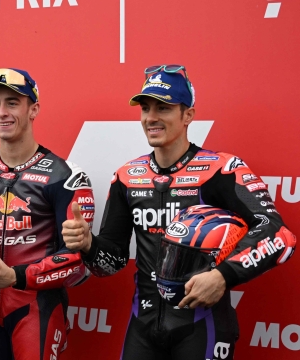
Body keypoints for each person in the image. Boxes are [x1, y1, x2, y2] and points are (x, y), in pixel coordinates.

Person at [61, 65, 297, 360]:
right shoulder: (127, 177)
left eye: (163, 108)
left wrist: (223, 277)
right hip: (143, 325)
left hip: (202, 324)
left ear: (188, 115)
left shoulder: (221, 170)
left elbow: (279, 235)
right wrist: (88, 245)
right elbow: (112, 262)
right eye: (145, 108)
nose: (151, 118)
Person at [0, 68, 95, 359]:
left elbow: (79, 264)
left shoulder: (64, 176)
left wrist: (16, 277)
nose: (2, 112)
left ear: (34, 109)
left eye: (12, 103)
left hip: (37, 310)